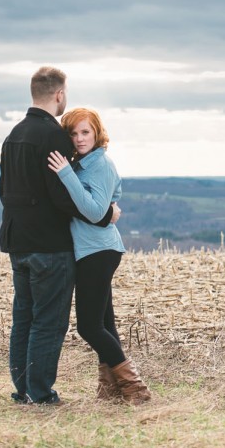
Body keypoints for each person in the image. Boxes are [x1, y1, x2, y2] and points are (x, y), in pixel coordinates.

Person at [0, 66, 121, 405]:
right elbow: (64, 198)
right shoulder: (53, 136)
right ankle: (41, 393)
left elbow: (4, 190)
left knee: (23, 317)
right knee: (49, 323)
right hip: (50, 246)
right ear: (59, 95)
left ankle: (22, 389)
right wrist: (106, 215)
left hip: (17, 242)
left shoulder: (14, 135)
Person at [47, 107, 152, 404]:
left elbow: (95, 212)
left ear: (97, 133)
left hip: (100, 251)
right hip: (89, 251)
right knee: (105, 325)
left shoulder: (100, 165)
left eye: (86, 132)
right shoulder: (81, 164)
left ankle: (136, 389)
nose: (80, 139)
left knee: (88, 326)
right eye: (74, 133)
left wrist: (66, 173)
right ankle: (110, 390)